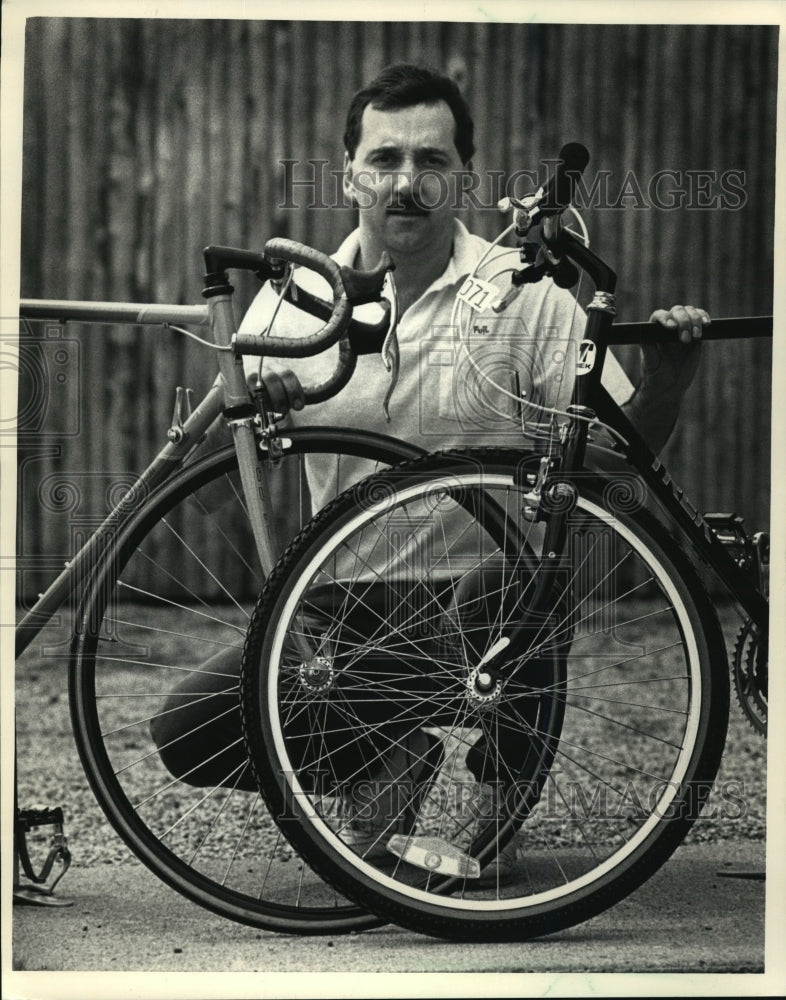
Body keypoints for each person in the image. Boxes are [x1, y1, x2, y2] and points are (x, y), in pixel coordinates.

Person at [151, 63, 709, 873]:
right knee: (186, 734)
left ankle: (496, 792)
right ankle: (385, 750)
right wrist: (248, 424)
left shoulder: (526, 296)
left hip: (484, 601)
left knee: (513, 581)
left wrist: (669, 383)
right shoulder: (292, 301)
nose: (406, 183)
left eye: (431, 162)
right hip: (333, 607)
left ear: (464, 177)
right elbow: (200, 496)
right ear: (349, 175)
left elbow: (615, 474)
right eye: (384, 161)